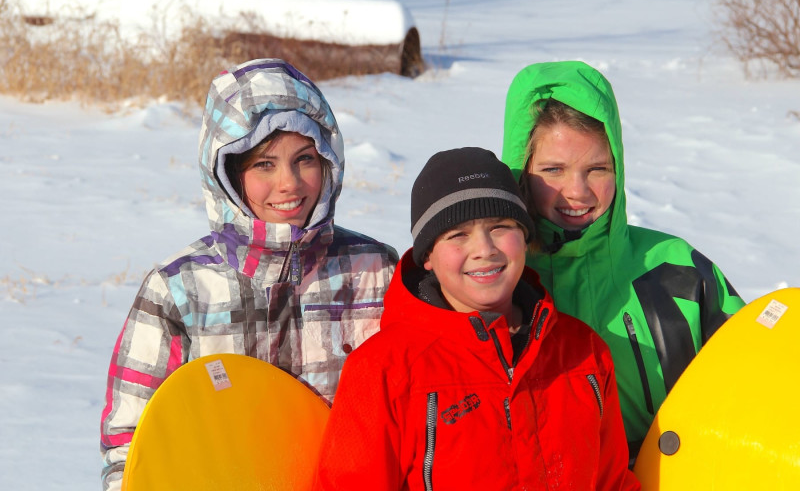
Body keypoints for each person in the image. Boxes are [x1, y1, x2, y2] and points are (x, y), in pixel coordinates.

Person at [99, 58, 398, 491]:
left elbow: (416, 409)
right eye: (264, 164)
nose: (289, 183)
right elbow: (131, 443)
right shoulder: (179, 290)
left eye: (305, 159)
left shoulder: (375, 270)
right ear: (230, 175)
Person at [314, 147, 640, 490]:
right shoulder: (384, 370)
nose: (485, 249)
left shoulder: (583, 351)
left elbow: (613, 482)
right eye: (458, 234)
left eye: (500, 226)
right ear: (427, 257)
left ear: (525, 239)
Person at [501, 60, 746, 461]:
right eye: (554, 170)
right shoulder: (496, 282)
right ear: (521, 172)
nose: (576, 191)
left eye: (597, 168)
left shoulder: (677, 271)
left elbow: (754, 380)